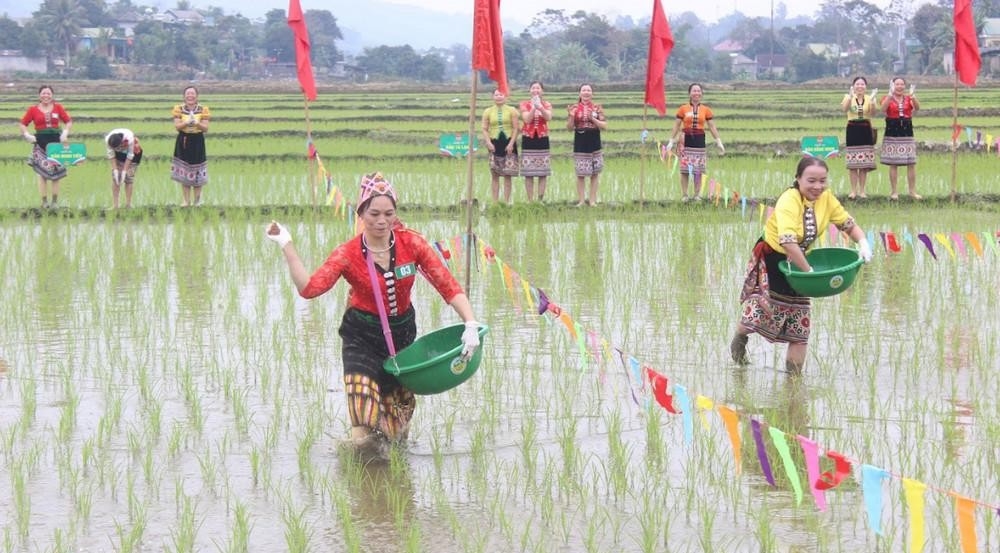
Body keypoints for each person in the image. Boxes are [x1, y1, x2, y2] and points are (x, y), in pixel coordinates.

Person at [265, 172, 482, 452]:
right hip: (361, 336)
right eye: (374, 213)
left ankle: (394, 473)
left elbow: (448, 286)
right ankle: (360, 476)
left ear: (396, 213)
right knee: (362, 406)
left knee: (399, 414)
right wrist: (286, 243)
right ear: (361, 214)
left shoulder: (412, 244)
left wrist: (470, 323)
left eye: (388, 213)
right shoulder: (347, 253)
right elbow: (309, 289)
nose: (381, 221)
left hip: (401, 337)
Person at [729, 157, 872, 374]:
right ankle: (740, 337)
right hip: (774, 258)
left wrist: (862, 243)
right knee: (760, 313)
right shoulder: (789, 200)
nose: (818, 186)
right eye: (811, 180)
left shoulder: (827, 199)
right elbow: (787, 241)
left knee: (800, 323)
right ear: (798, 179)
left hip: (801, 258)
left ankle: (794, 382)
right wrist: (810, 273)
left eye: (822, 181)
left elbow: (849, 225)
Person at [665, 83, 724, 202]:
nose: (696, 93)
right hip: (685, 140)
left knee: (699, 170)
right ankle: (685, 195)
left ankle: (697, 195)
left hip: (699, 140)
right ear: (690, 93)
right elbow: (676, 125)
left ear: (701, 93)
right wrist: (671, 141)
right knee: (685, 170)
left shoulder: (706, 110)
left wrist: (718, 141)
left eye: (698, 91)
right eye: (694, 91)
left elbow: (712, 127)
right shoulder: (683, 108)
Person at [18, 85, 73, 209]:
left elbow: (68, 121)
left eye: (48, 93)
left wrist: (65, 132)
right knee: (41, 174)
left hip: (56, 144)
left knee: (56, 175)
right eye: (43, 93)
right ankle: (44, 202)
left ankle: (54, 202)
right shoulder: (33, 109)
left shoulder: (58, 108)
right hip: (40, 143)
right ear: (39, 95)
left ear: (52, 95)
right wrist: (26, 134)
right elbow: (23, 123)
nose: (46, 96)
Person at [879, 77, 921, 200]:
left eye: (902, 84)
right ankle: (894, 192)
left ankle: (912, 191)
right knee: (893, 163)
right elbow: (882, 109)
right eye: (897, 84)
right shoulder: (887, 97)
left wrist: (913, 96)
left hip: (907, 130)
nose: (900, 86)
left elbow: (917, 108)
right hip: (892, 130)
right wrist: (889, 95)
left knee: (911, 162)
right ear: (892, 86)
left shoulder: (909, 98)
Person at [566, 83, 608, 206]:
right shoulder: (574, 108)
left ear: (592, 93)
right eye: (584, 90)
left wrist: (593, 119)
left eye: (588, 90)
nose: (586, 92)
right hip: (580, 140)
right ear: (580, 93)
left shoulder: (597, 108)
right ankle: (581, 200)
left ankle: (593, 200)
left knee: (594, 173)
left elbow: (604, 126)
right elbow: (569, 128)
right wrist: (571, 116)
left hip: (594, 139)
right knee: (580, 173)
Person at [170, 86, 212, 206]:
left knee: (198, 169)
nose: (190, 96)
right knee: (185, 170)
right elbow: (177, 126)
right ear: (184, 96)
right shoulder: (179, 109)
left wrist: (197, 123)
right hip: (184, 140)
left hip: (197, 141)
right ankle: (186, 201)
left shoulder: (203, 109)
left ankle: (197, 201)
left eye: (192, 93)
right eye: (188, 93)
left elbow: (206, 128)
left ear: (197, 96)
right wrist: (186, 122)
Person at [840, 76, 878, 199]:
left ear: (865, 87)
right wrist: (850, 97)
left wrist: (872, 102)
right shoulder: (848, 97)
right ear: (853, 86)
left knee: (864, 164)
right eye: (857, 84)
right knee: (853, 163)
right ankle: (853, 191)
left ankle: (862, 191)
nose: (860, 86)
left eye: (862, 84)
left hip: (865, 129)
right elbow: (844, 109)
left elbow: (872, 114)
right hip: (852, 129)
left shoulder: (869, 98)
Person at [481, 88, 520, 204]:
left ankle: (507, 202)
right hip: (494, 144)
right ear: (492, 97)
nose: (499, 96)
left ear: (505, 96)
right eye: (496, 94)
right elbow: (484, 128)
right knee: (495, 175)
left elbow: (516, 128)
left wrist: (511, 143)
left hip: (509, 144)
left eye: (501, 94)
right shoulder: (487, 111)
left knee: (507, 175)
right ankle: (495, 203)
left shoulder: (512, 110)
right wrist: (488, 142)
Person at [519, 81, 553, 202]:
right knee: (529, 172)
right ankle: (530, 200)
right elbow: (527, 120)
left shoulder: (547, 104)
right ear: (530, 90)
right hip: (528, 139)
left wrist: (540, 107)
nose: (535, 90)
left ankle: (540, 200)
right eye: (533, 88)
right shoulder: (524, 104)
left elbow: (548, 117)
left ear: (542, 91)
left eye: (538, 88)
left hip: (542, 138)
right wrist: (534, 107)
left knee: (542, 172)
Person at [105, 128, 143, 209]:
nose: (116, 149)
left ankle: (128, 205)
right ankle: (115, 205)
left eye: (118, 148)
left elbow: (130, 155)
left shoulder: (129, 138)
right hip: (118, 156)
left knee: (129, 179)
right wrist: (115, 170)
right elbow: (111, 155)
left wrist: (124, 170)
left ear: (121, 143)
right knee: (116, 179)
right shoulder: (108, 140)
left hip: (133, 154)